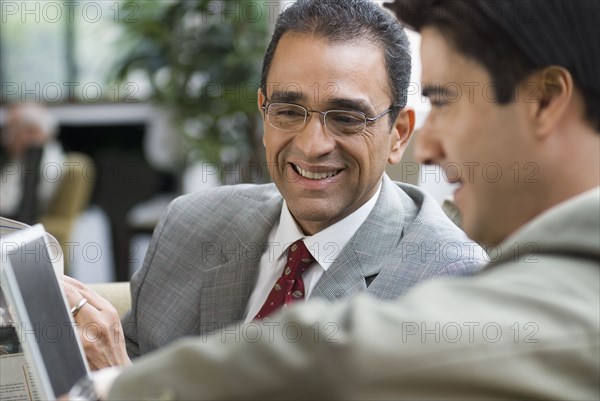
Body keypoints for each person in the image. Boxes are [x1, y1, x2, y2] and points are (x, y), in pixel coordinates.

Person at [62, 0, 599, 399]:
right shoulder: (190, 222)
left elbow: (333, 352)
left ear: (398, 134)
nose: (313, 143)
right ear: (263, 112)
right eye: (288, 111)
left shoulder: (458, 276)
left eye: (347, 116)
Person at [0, 103, 66, 224]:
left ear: (31, 132)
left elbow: (13, 206)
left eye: (11, 132)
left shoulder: (44, 163)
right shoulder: (23, 158)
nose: (6, 140)